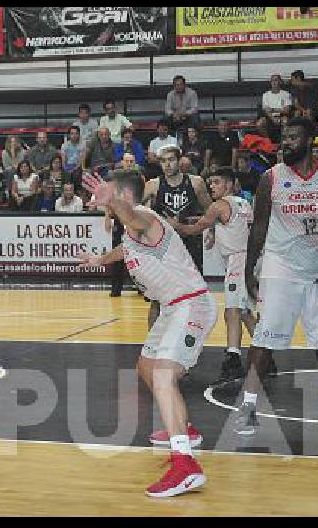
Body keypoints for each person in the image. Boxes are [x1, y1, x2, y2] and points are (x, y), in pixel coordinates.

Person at [78, 170, 217, 498]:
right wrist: (100, 259)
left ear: (123, 195)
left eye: (108, 193)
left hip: (191, 304)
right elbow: (126, 250)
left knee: (164, 376)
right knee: (147, 368)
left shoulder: (146, 218)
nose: (101, 201)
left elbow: (134, 218)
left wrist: (112, 201)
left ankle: (185, 465)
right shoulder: (131, 233)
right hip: (172, 308)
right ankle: (187, 431)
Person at [232, 117, 318, 437]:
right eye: (285, 137)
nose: (287, 142)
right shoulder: (271, 178)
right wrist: (249, 269)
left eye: (294, 137)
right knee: (265, 338)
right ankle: (248, 406)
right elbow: (259, 227)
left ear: (310, 141)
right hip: (280, 267)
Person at [166, 168, 259, 384]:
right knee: (244, 312)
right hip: (251, 259)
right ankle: (266, 355)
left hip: (238, 260)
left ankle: (233, 359)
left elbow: (195, 228)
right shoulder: (244, 203)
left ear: (228, 184)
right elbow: (225, 223)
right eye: (210, 183)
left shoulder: (218, 206)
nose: (212, 187)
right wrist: (213, 232)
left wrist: (175, 225)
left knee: (232, 311)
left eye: (216, 182)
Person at [142, 145, 212, 329]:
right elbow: (133, 209)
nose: (167, 164)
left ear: (179, 160)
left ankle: (189, 338)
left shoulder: (195, 183)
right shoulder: (153, 185)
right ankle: (153, 343)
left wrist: (211, 231)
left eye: (171, 160)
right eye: (163, 161)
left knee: (194, 297)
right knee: (157, 298)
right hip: (163, 249)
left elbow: (210, 210)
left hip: (190, 246)